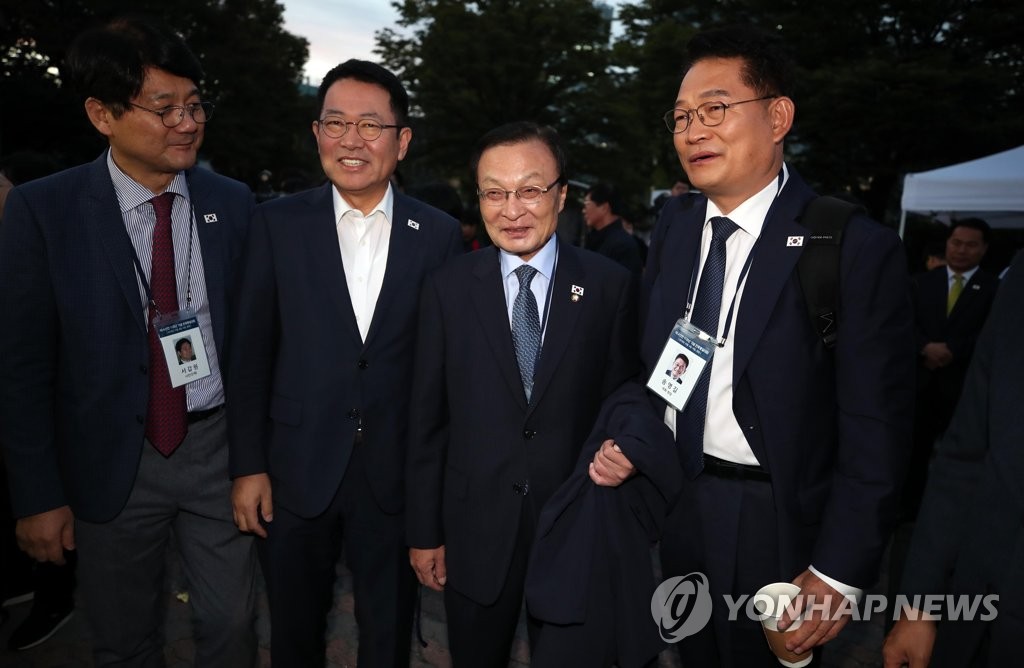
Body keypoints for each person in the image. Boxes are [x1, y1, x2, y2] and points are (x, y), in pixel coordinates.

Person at [642, 25, 914, 666]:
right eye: (681, 116)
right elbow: (647, 366)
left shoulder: (849, 246)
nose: (693, 131)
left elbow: (877, 428)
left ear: (778, 117)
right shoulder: (674, 229)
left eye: (715, 109)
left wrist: (838, 571)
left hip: (782, 527)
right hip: (680, 506)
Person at [0, 15, 257, 666]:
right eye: (164, 108)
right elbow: (22, 366)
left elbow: (257, 340)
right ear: (102, 114)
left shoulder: (233, 203)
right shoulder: (45, 211)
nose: (187, 123)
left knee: (232, 625)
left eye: (194, 105)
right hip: (110, 459)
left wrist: (257, 457)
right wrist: (38, 496)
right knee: (123, 639)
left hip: (217, 451)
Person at [228, 59, 461, 667]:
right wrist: (248, 465)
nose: (351, 140)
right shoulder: (274, 223)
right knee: (293, 632)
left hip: (393, 476)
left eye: (370, 125)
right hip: (293, 469)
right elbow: (250, 355)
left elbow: (443, 371)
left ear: (401, 141)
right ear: (317, 133)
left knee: (387, 635)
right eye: (336, 123)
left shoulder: (438, 234)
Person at [405, 121, 639, 667]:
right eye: (494, 193)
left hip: (574, 530)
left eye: (530, 190)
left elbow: (624, 397)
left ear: (562, 194)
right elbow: (426, 421)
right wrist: (424, 531)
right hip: (474, 532)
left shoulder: (609, 286)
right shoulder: (447, 288)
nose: (512, 210)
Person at [882, 253, 1021, 667]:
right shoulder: (1019, 281)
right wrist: (919, 605)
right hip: (982, 614)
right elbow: (966, 456)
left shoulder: (990, 286)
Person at [582, 182, 643, 277]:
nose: (584, 210)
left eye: (587, 204)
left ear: (604, 207)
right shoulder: (594, 238)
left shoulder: (623, 245)